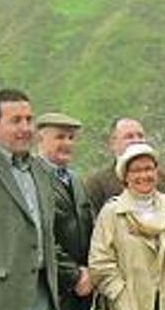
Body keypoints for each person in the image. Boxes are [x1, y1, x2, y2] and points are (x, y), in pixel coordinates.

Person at [89, 142, 165, 310]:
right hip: (131, 303)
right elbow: (100, 263)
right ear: (125, 176)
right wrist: (121, 295)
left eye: (148, 169)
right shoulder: (112, 212)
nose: (144, 175)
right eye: (136, 170)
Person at [0, 89, 59, 310]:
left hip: (42, 292)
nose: (25, 128)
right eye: (16, 121)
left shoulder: (41, 171)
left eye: (29, 120)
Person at [36, 112, 96, 310]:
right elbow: (38, 237)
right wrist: (74, 275)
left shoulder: (76, 179)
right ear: (40, 138)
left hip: (82, 291)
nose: (67, 143)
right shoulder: (33, 179)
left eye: (71, 138)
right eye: (60, 137)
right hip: (49, 289)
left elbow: (90, 226)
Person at [84, 118, 165, 212]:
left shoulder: (164, 182)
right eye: (129, 137)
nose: (137, 141)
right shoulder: (97, 184)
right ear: (112, 143)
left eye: (140, 136)